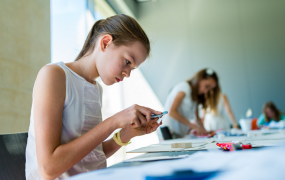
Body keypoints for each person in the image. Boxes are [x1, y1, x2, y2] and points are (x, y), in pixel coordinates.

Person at [25, 14, 163, 180]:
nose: (127, 74)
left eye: (133, 68)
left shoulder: (96, 89)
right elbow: (49, 169)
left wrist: (127, 134)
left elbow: (89, 157)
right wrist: (114, 121)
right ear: (105, 43)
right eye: (128, 61)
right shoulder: (54, 75)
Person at [162, 68, 220, 138]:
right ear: (200, 79)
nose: (206, 91)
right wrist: (193, 126)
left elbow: (197, 118)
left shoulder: (195, 96)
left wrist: (204, 130)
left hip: (179, 133)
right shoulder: (184, 87)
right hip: (169, 132)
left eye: (209, 89)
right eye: (207, 86)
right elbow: (172, 112)